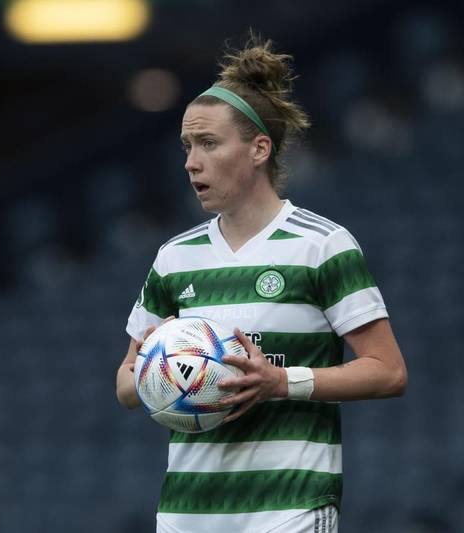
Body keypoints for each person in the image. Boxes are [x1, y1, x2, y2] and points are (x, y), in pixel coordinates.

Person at [116, 34, 407, 533]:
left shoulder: (322, 246)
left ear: (258, 148)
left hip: (288, 508)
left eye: (208, 143)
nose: (191, 161)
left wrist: (279, 381)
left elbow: (387, 372)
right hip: (187, 515)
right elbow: (124, 385)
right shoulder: (174, 259)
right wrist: (161, 373)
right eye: (187, 145)